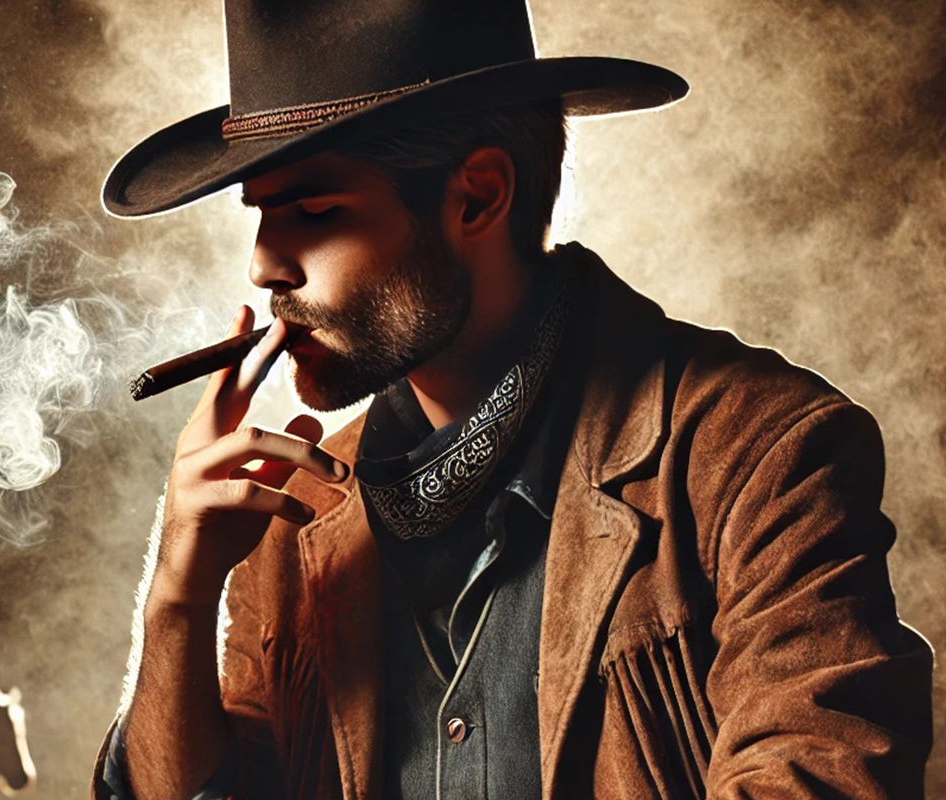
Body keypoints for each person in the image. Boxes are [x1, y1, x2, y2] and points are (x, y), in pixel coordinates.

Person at [93, 0, 934, 797]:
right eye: (261, 217)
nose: (264, 266)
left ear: (478, 195)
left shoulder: (757, 452)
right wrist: (179, 595)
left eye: (313, 209)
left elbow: (819, 771)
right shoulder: (291, 521)